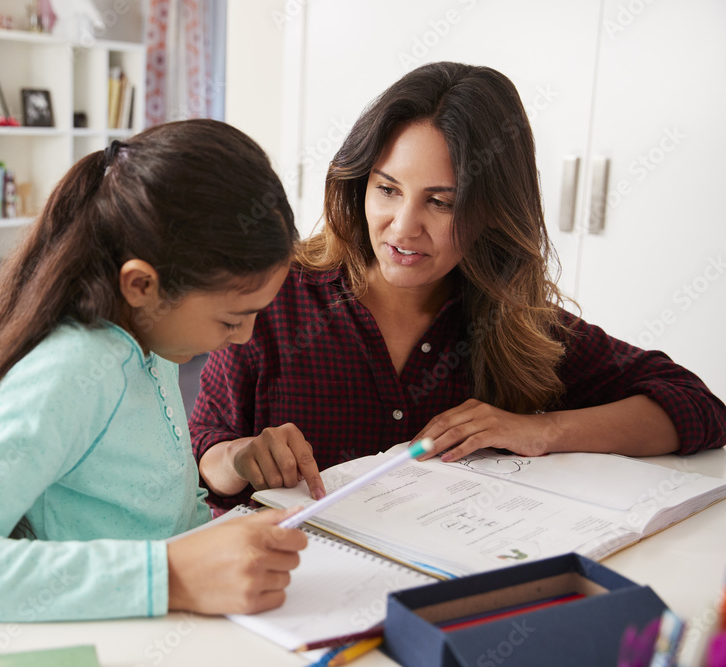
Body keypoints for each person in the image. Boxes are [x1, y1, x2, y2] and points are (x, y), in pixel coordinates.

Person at [190, 62, 726, 515]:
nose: (403, 228)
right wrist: (240, 457)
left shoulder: (514, 322)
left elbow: (697, 408)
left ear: (492, 211)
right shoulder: (274, 296)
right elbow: (198, 453)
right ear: (359, 185)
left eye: (441, 202)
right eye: (388, 189)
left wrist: (539, 431)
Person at [0, 119, 308, 625]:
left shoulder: (153, 342)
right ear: (141, 286)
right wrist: (169, 575)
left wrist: (231, 471)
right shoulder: (75, 369)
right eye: (231, 320)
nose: (246, 337)